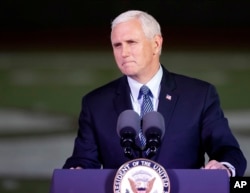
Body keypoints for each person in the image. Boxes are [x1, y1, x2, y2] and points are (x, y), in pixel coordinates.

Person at [63, 10, 247, 177]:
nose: (123, 52)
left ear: (156, 44)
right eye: (117, 45)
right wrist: (77, 170)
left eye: (131, 42)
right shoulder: (95, 103)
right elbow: (84, 160)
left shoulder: (199, 96)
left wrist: (224, 167)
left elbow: (228, 150)